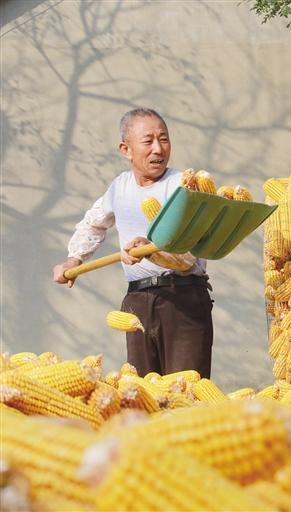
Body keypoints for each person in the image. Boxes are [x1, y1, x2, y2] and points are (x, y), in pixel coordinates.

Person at [53, 108, 214, 378]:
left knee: (185, 389)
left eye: (164, 139)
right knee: (142, 390)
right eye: (148, 141)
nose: (158, 149)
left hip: (182, 297)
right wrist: (74, 259)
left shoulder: (183, 186)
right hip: (137, 301)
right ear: (126, 149)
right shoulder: (120, 187)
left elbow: (187, 255)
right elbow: (93, 223)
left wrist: (150, 248)